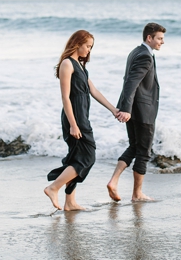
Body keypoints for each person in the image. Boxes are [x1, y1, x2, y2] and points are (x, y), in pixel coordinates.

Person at [44, 30, 123, 211]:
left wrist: (114, 110)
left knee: (76, 158)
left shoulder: (81, 67)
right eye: (87, 46)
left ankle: (70, 202)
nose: (89, 50)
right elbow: (65, 98)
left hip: (81, 116)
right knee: (87, 156)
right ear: (77, 43)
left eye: (91, 47)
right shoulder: (67, 64)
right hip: (75, 118)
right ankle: (53, 187)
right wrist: (73, 124)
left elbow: (94, 92)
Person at [107, 22, 166, 202]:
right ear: (149, 38)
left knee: (133, 146)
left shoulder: (136, 51)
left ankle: (114, 181)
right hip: (142, 111)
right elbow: (131, 83)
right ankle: (137, 194)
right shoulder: (145, 56)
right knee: (144, 152)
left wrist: (127, 108)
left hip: (133, 109)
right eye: (160, 38)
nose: (162, 42)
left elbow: (129, 81)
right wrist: (126, 109)